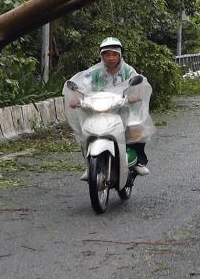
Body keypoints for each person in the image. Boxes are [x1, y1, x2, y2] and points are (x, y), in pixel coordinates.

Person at [64, 36, 151, 179]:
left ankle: (138, 162)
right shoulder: (94, 72)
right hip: (97, 109)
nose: (111, 58)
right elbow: (81, 84)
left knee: (136, 128)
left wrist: (135, 95)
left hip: (121, 108)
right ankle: (89, 164)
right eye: (107, 54)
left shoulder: (128, 71)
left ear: (120, 55)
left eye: (114, 54)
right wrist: (75, 98)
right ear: (101, 56)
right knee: (85, 131)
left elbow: (138, 83)